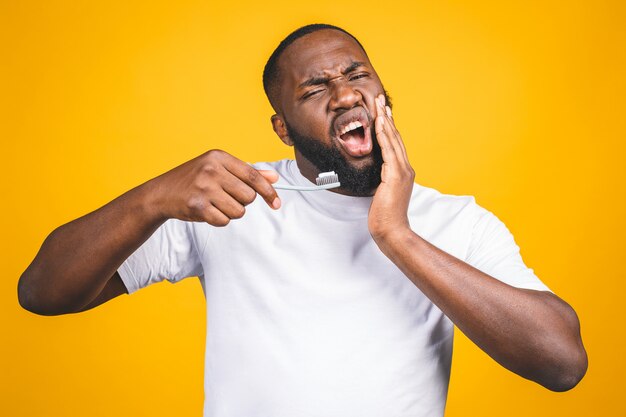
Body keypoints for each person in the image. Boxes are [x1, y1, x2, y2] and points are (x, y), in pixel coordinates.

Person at [18, 24, 587, 417]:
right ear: (283, 129)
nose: (344, 95)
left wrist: (397, 235)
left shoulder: (456, 221)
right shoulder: (231, 200)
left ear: (383, 95)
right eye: (315, 89)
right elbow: (43, 292)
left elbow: (561, 363)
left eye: (356, 75)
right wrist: (148, 201)